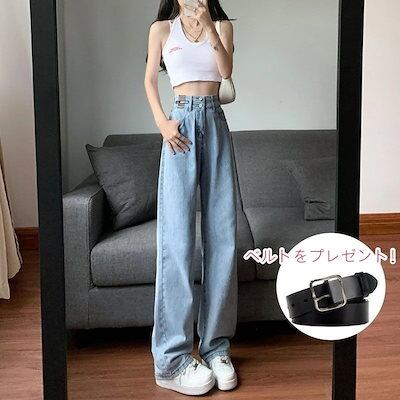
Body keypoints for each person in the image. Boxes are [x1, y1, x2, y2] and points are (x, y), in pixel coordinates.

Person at [144, 0, 237, 395]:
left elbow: (226, 71)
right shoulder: (161, 29)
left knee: (223, 237)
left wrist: (210, 27)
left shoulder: (223, 26)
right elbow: (150, 80)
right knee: (177, 241)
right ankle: (171, 360)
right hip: (179, 126)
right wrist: (162, 123)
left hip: (215, 121)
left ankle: (216, 347)